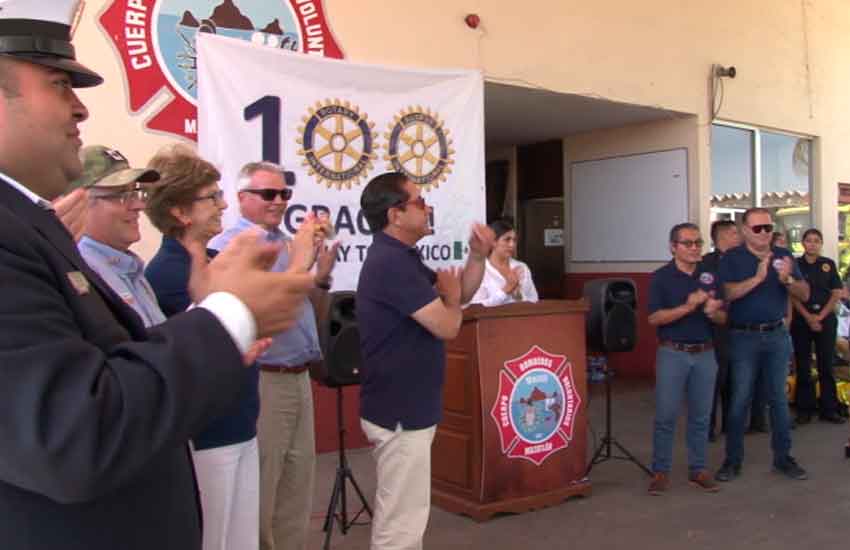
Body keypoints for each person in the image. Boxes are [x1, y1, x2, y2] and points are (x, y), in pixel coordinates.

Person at [0, 4, 315, 549]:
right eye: (58, 84)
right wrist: (227, 316)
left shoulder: (30, 226)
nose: (79, 108)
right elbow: (74, 434)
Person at [357, 171, 494, 550]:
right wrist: (450, 299)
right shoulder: (391, 263)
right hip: (400, 408)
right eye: (419, 201)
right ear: (395, 215)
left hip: (407, 405)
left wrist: (478, 256)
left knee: (407, 513)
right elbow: (448, 324)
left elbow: (459, 294)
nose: (427, 207)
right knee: (401, 521)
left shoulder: (402, 257)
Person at [209, 161, 339, 550]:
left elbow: (308, 310)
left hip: (299, 374)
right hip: (264, 377)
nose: (279, 201)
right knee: (262, 492)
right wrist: (300, 262)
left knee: (297, 488)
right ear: (242, 198)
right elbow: (240, 313)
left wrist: (320, 276)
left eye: (285, 194)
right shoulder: (229, 246)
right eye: (269, 194)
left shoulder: (287, 243)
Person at [144, 145, 266, 550]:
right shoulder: (166, 274)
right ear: (180, 212)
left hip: (240, 421)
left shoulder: (214, 260)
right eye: (211, 197)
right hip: (206, 434)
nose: (223, 204)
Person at [715, 207, 810, 482]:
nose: (765, 233)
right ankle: (732, 461)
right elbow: (727, 292)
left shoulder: (784, 256)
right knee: (740, 399)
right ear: (745, 231)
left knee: (779, 401)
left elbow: (804, 294)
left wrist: (788, 280)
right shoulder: (732, 258)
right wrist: (757, 278)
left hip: (777, 336)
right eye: (758, 228)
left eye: (768, 227)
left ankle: (783, 458)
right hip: (744, 337)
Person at [646, 223, 725, 495]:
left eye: (698, 243)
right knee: (666, 415)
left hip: (705, 353)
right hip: (673, 353)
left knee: (702, 417)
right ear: (673, 247)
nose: (694, 248)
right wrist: (689, 306)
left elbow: (725, 318)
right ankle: (660, 471)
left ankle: (699, 469)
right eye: (688, 243)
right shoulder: (661, 278)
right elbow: (654, 318)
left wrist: (715, 313)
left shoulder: (710, 276)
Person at [73, 145, 165, 326]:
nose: (139, 205)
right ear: (82, 201)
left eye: (137, 193)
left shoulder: (128, 266)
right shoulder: (85, 273)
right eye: (122, 195)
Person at [789, 228, 845, 424]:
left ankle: (829, 409)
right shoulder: (795, 265)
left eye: (816, 241)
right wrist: (808, 317)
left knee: (826, 365)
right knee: (803, 366)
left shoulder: (828, 265)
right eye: (809, 240)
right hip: (801, 321)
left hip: (825, 319)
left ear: (821, 244)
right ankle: (804, 410)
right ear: (802, 243)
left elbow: (836, 292)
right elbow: (792, 295)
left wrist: (820, 316)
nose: (812, 244)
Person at [701, 220, 740, 441]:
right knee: (714, 378)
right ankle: (707, 427)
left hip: (742, 326)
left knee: (736, 379)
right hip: (715, 328)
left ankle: (730, 424)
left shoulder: (745, 261)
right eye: (735, 233)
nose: (739, 236)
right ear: (722, 236)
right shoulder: (705, 263)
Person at [468, 218, 538, 306]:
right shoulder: (481, 271)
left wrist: (518, 296)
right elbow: (477, 307)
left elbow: (534, 300)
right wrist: (506, 290)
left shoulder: (522, 267)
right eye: (507, 239)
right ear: (493, 242)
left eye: (514, 240)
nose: (512, 245)